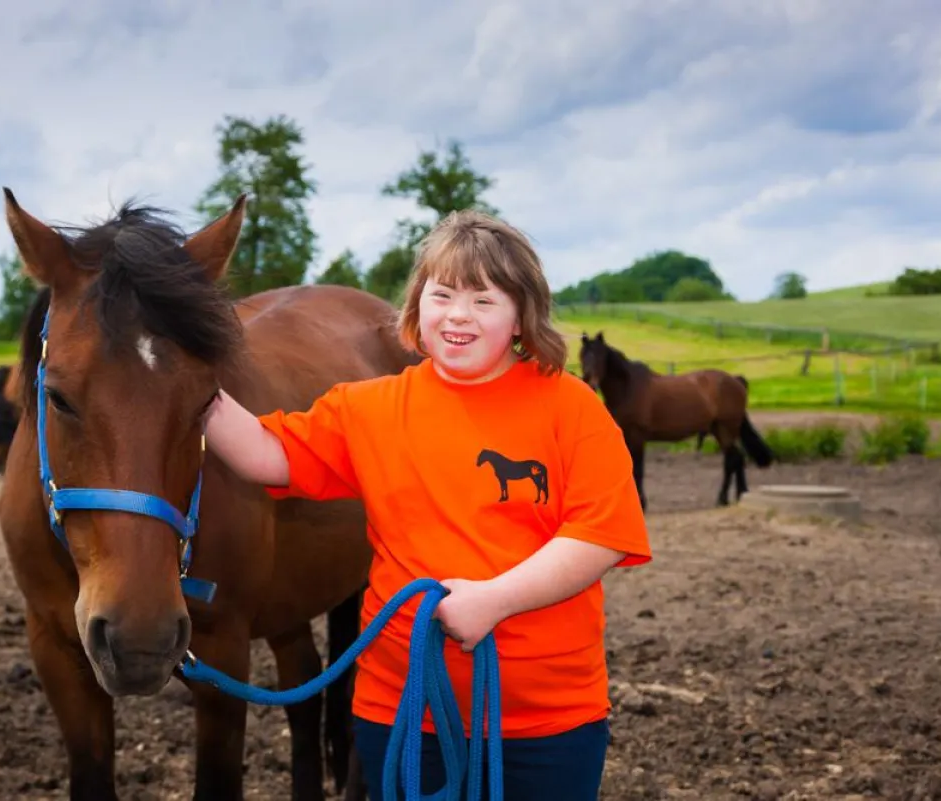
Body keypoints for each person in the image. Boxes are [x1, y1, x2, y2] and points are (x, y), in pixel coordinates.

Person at [204, 209, 651, 800]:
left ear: (522, 314)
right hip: (403, 714)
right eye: (442, 295)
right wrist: (185, 379)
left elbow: (601, 533)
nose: (459, 314)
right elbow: (265, 452)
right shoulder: (368, 409)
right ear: (417, 307)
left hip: (546, 720)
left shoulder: (571, 407)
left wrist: (495, 600)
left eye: (484, 300)